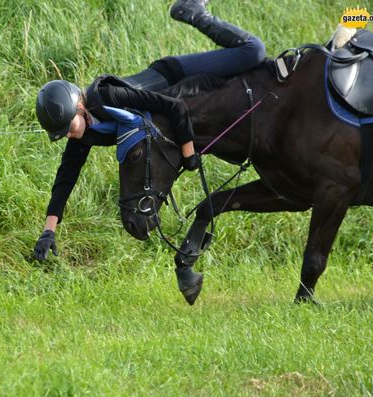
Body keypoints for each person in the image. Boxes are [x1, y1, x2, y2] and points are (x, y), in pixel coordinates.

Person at [33, 0, 266, 260]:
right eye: (61, 133)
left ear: (79, 107)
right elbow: (66, 177)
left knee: (253, 51)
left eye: (67, 127)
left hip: (174, 75)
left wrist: (188, 154)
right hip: (183, 102)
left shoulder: (107, 96)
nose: (67, 134)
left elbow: (175, 107)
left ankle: (192, 12)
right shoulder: (83, 131)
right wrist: (48, 231)